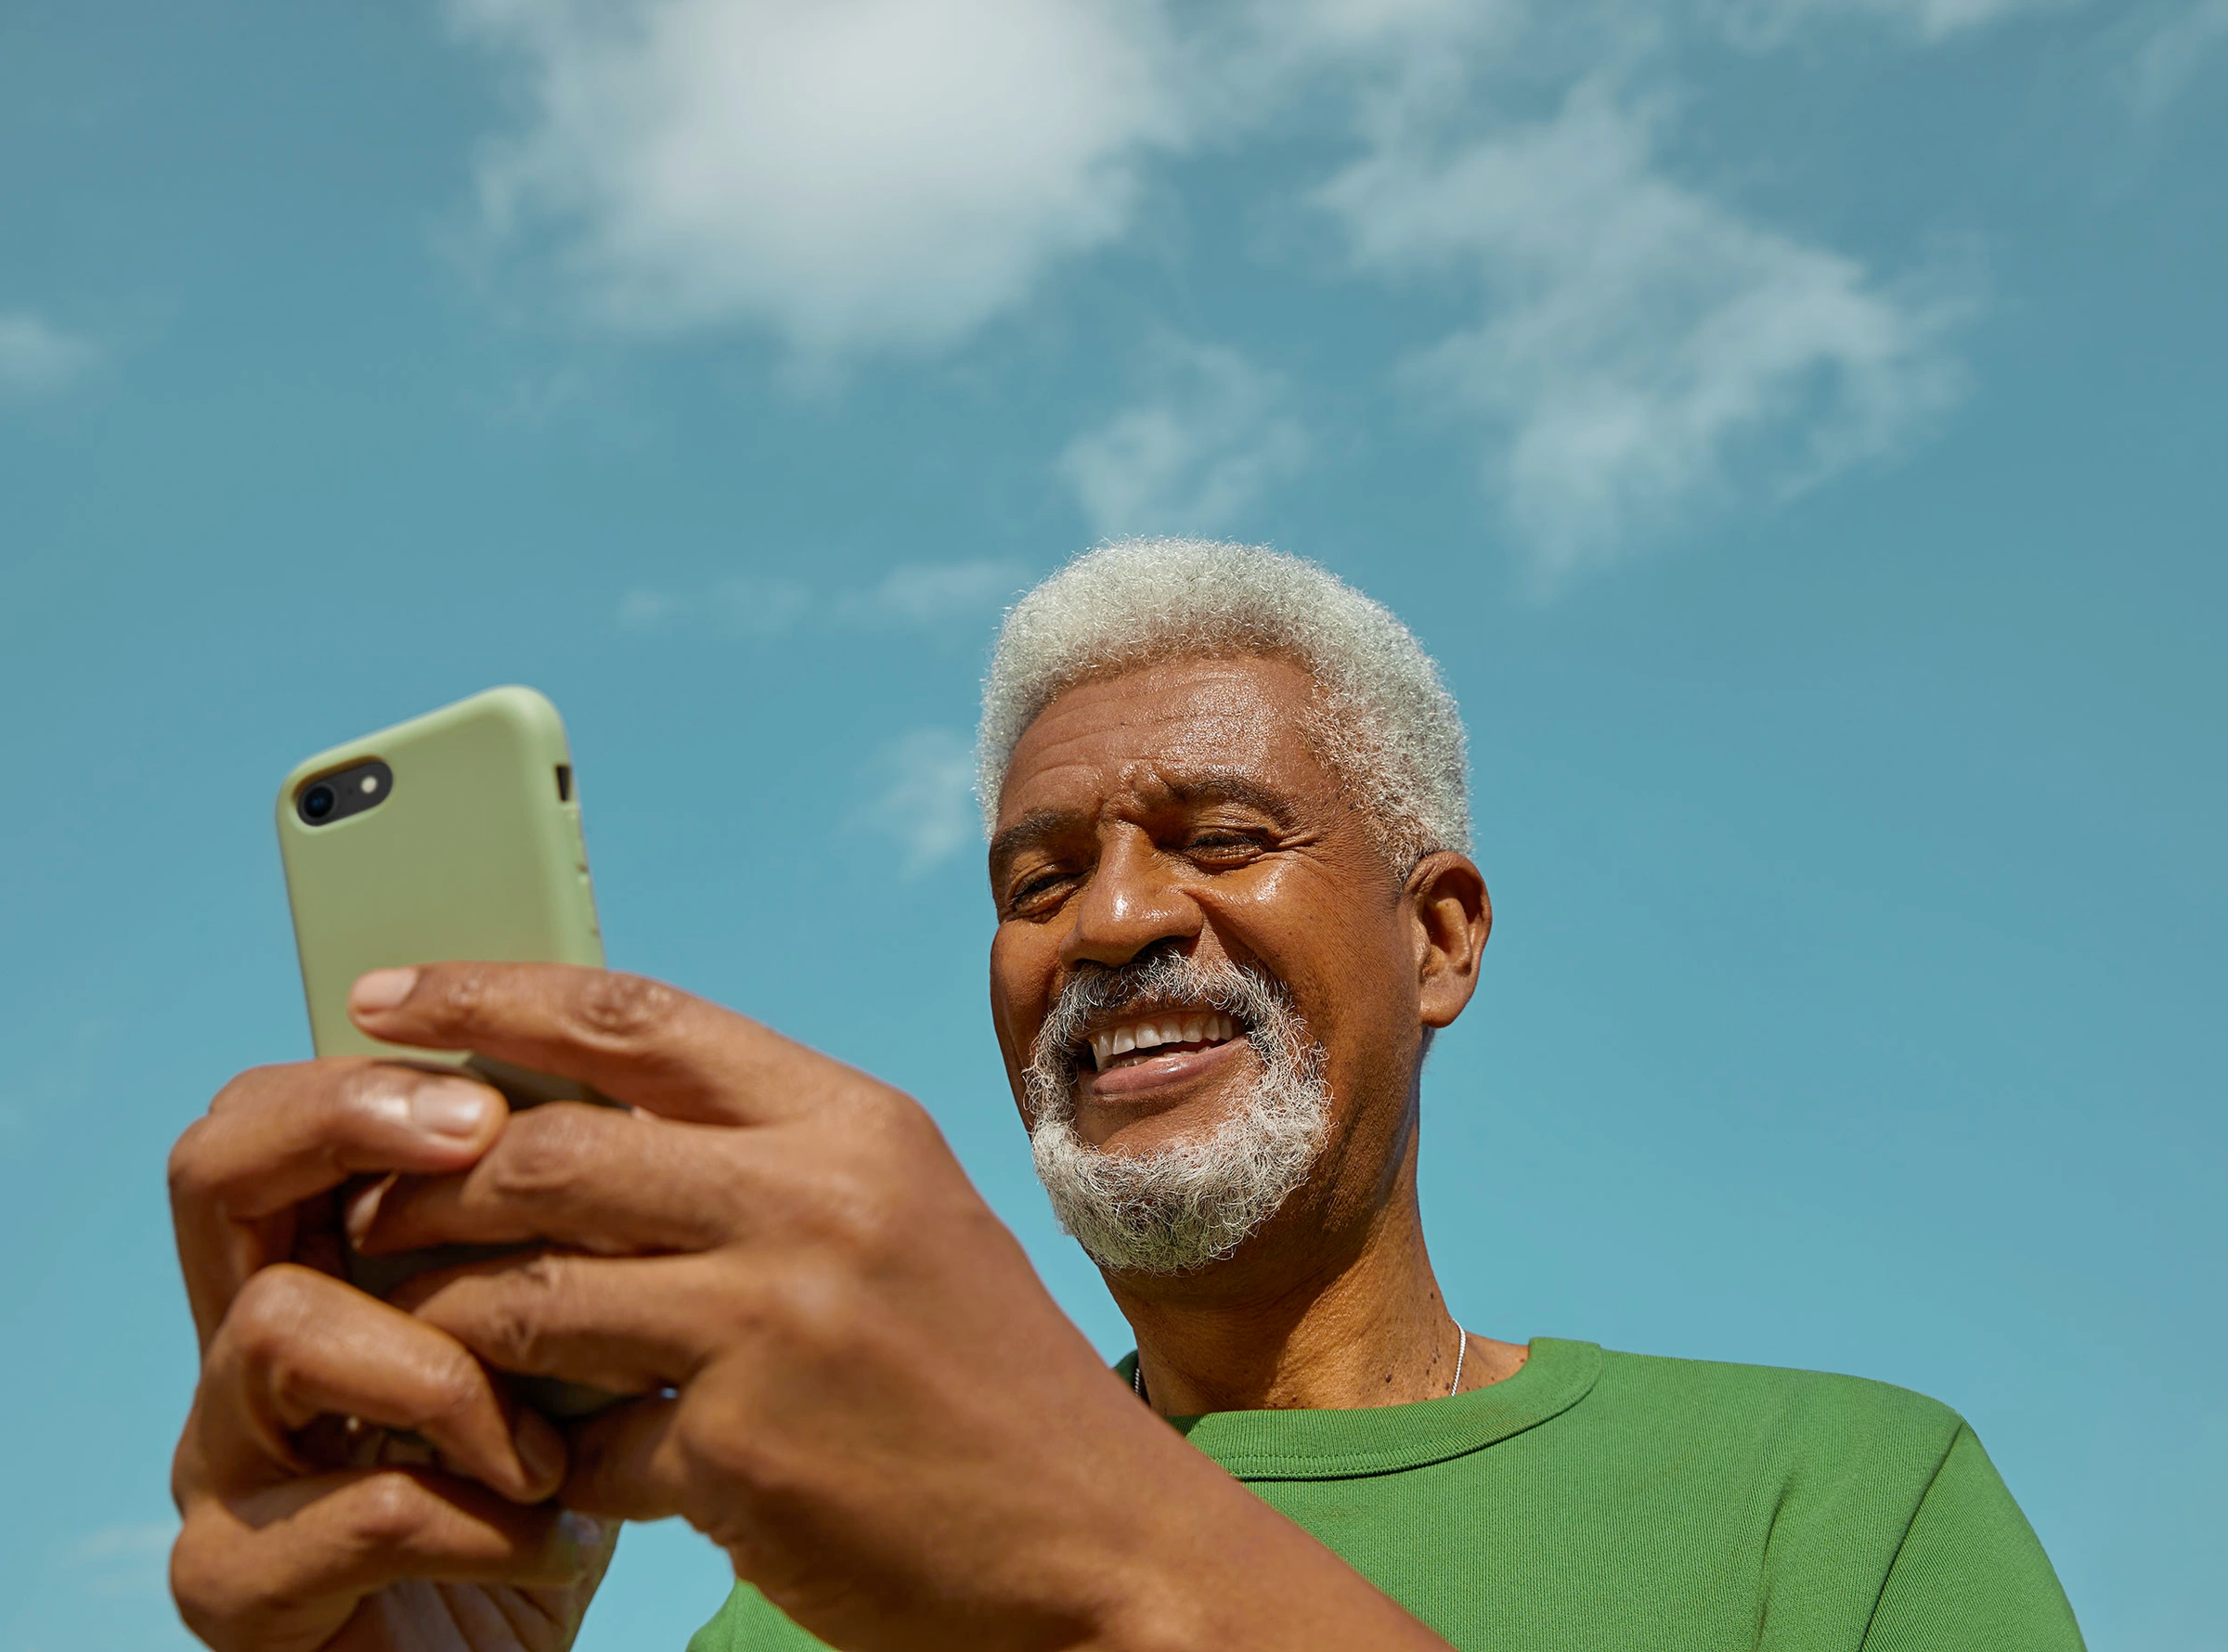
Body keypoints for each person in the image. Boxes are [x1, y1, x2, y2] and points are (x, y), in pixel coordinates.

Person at [166, 540, 2085, 1652]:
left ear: (1443, 935)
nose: (1113, 918)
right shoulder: (789, 1598)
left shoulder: (1839, 1503)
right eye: (1034, 878)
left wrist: (1124, 1566)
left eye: (1224, 836)